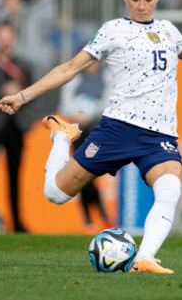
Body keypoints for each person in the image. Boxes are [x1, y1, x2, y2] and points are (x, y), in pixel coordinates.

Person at [0, 0, 182, 273]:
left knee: (170, 189)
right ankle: (60, 135)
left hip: (159, 135)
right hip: (118, 129)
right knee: (54, 194)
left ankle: (145, 258)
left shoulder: (168, 31)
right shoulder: (112, 31)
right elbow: (69, 69)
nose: (141, 5)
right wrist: (22, 96)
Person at [0, 22, 33, 233]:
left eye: (8, 34)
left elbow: (33, 94)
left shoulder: (24, 65)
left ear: (14, 37)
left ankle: (17, 222)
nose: (5, 39)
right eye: (1, 35)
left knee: (15, 177)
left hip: (16, 126)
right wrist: (3, 92)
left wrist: (19, 94)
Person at [57, 60, 113, 234]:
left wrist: (88, 115)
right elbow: (64, 104)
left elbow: (108, 101)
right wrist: (77, 114)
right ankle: (93, 219)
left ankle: (96, 217)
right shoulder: (75, 79)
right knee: (79, 175)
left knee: (88, 175)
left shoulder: (106, 77)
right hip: (78, 132)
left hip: (96, 132)